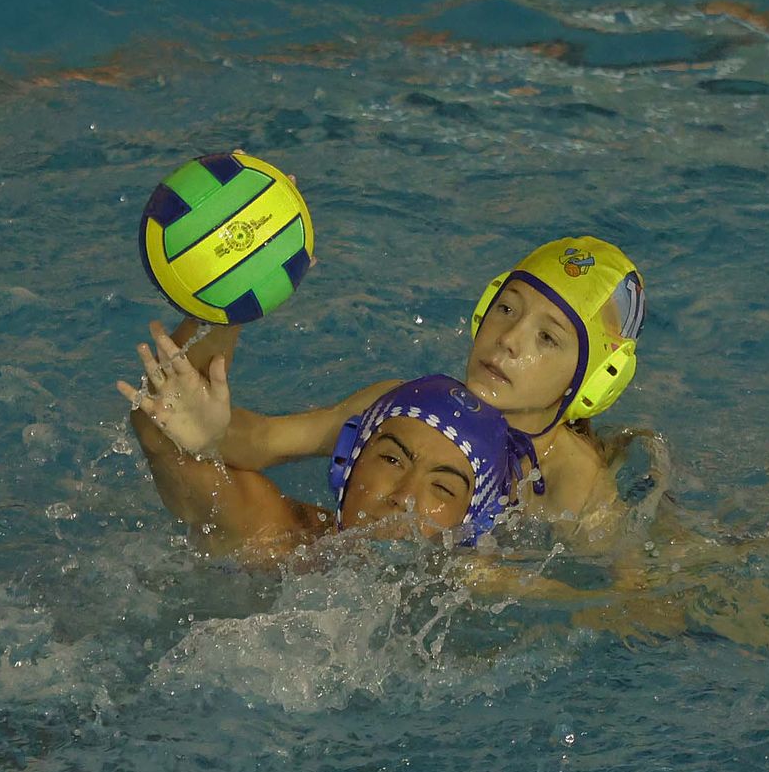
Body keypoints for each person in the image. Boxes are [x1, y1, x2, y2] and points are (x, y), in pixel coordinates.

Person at [139, 234, 648, 550]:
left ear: (594, 380)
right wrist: (237, 291)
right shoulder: (406, 410)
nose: (509, 340)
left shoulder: (578, 488)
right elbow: (263, 442)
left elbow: (630, 595)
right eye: (508, 308)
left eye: (547, 338)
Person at [117, 332, 533, 565]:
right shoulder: (279, 537)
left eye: (443, 489)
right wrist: (226, 306)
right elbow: (158, 432)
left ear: (473, 523)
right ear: (347, 463)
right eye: (391, 459)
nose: (404, 496)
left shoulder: (492, 591)